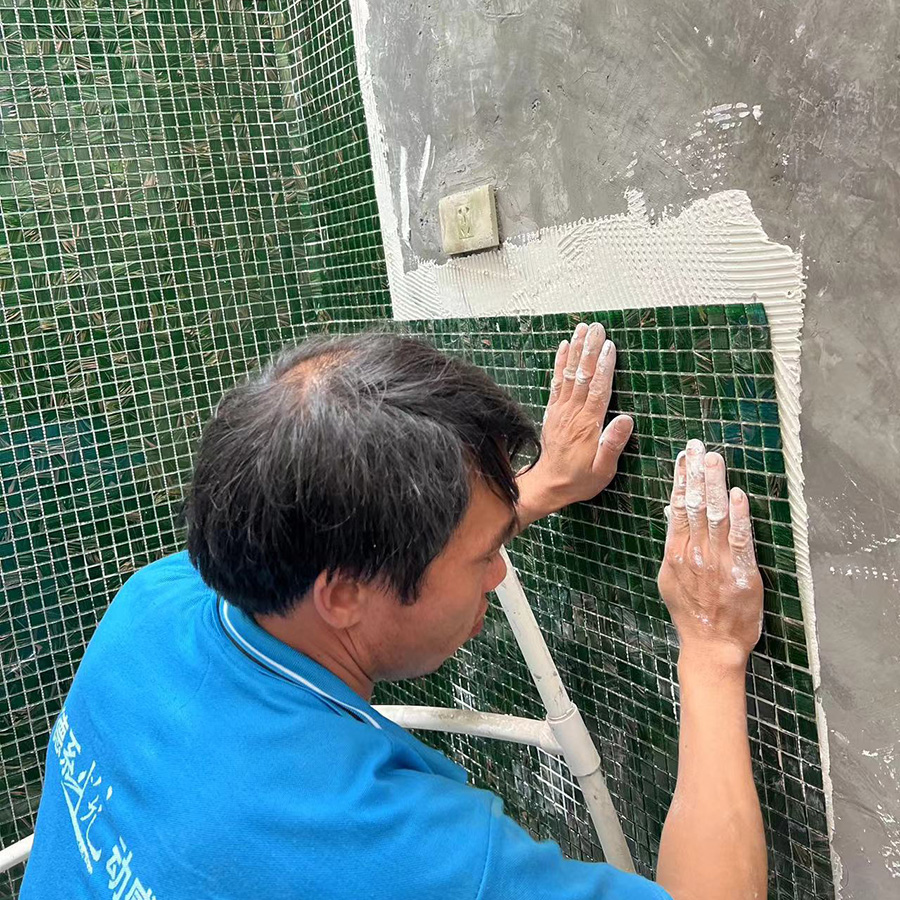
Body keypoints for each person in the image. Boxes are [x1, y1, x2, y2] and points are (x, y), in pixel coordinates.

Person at [20, 322, 767, 900]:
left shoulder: (152, 604)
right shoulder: (394, 852)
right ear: (343, 592)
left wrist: (525, 494)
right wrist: (710, 649)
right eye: (485, 555)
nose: (499, 571)